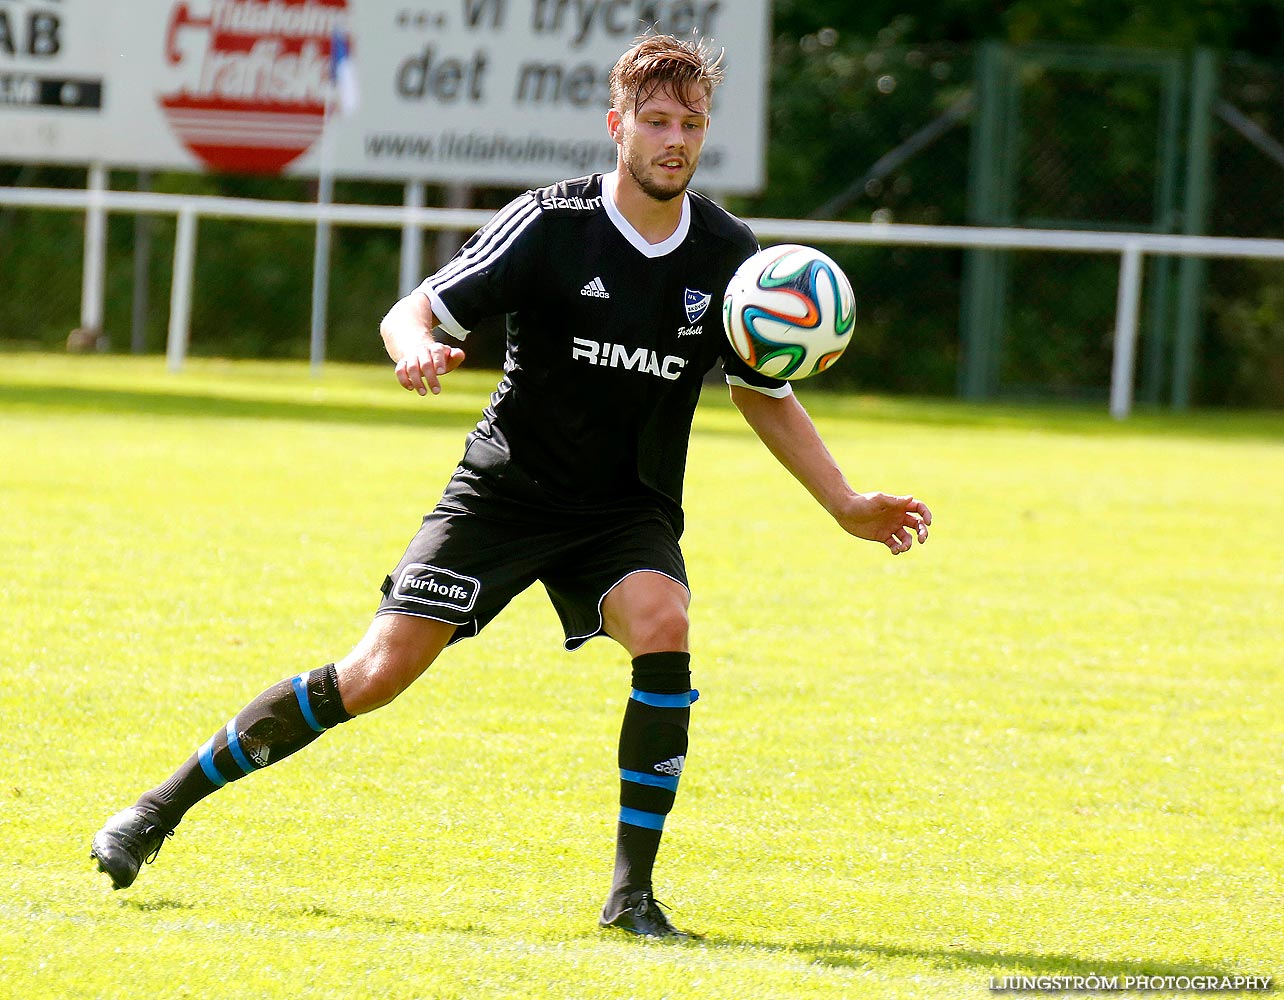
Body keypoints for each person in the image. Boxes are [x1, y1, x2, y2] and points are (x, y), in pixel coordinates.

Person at [90, 33, 931, 940]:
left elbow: (762, 387)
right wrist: (415, 346)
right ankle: (157, 810)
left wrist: (844, 502)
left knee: (664, 622)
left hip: (623, 509)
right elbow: (412, 308)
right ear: (618, 126)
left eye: (690, 123)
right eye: (655, 121)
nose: (673, 140)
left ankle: (632, 897)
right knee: (376, 674)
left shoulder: (729, 254)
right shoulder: (551, 224)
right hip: (506, 493)